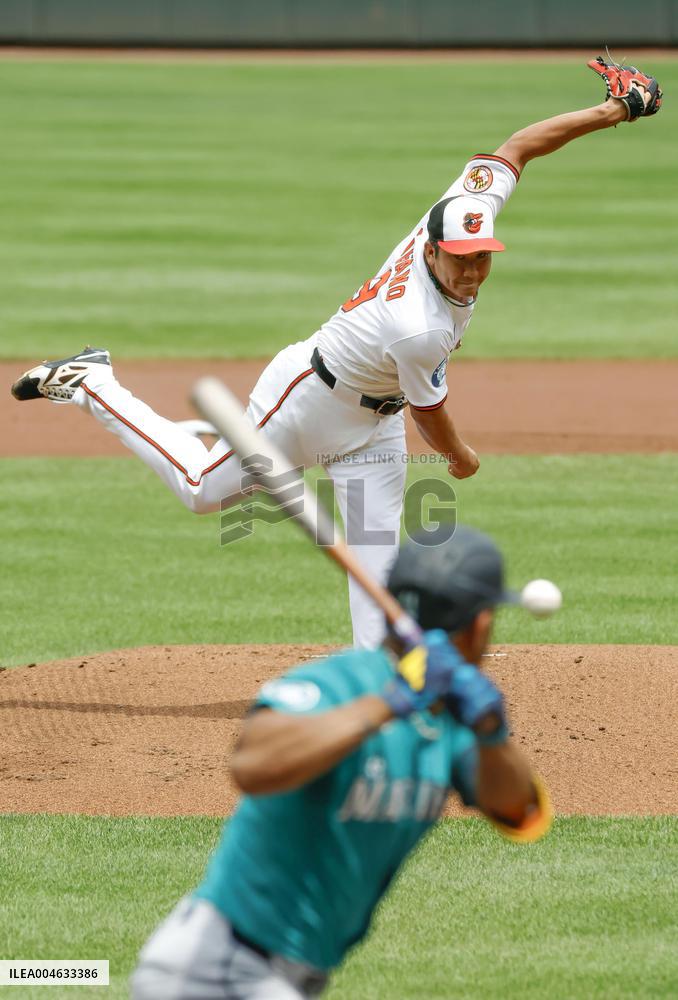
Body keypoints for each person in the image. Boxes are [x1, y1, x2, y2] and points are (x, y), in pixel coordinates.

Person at [10, 56, 661, 650]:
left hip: (373, 429)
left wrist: (613, 111)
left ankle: (377, 697)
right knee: (200, 492)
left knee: (375, 580)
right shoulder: (419, 326)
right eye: (461, 262)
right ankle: (93, 382)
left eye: (483, 260)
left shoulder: (460, 209)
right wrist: (459, 458)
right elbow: (430, 414)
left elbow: (518, 149)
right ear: (432, 250)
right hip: (305, 399)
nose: (472, 271)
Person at [129, 524, 552, 999]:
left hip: (285, 976)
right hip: (219, 967)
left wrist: (493, 734)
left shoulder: (451, 724)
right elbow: (252, 765)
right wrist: (390, 701)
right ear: (480, 624)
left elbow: (520, 811)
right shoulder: (340, 683)